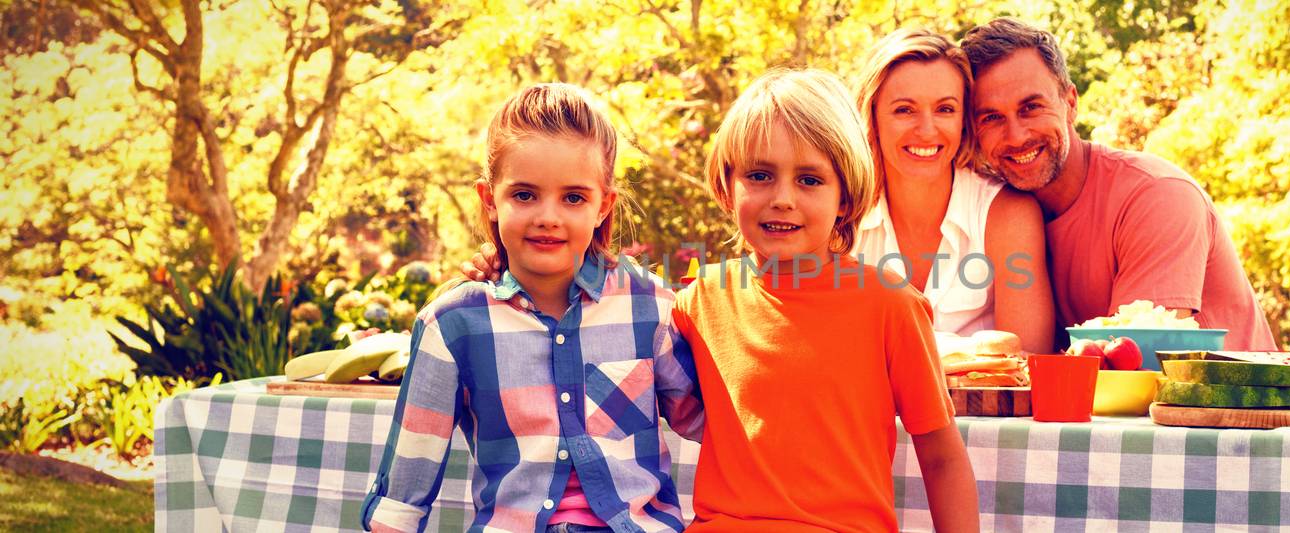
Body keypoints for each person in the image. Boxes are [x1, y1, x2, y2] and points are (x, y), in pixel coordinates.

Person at [362, 84, 705, 533]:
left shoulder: (650, 307)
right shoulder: (452, 326)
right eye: (524, 195)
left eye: (573, 198)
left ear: (603, 206)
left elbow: (705, 422)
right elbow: (404, 488)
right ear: (490, 200)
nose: (548, 216)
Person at [675, 69, 978, 532]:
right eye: (759, 175)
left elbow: (940, 457)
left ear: (844, 198)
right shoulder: (698, 301)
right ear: (726, 186)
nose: (782, 198)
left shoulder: (891, 306)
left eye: (810, 180)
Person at [961, 18, 1278, 350]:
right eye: (992, 118)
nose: (1017, 135)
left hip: (1227, 399)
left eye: (1031, 107)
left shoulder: (1157, 196)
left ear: (1070, 103)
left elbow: (1140, 363)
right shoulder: (995, 214)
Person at [851, 28, 1055, 354]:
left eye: (945, 109)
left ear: (963, 120)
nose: (927, 130)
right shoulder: (842, 217)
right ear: (873, 115)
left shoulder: (1005, 215)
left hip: (978, 406)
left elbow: (1028, 363)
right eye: (905, 110)